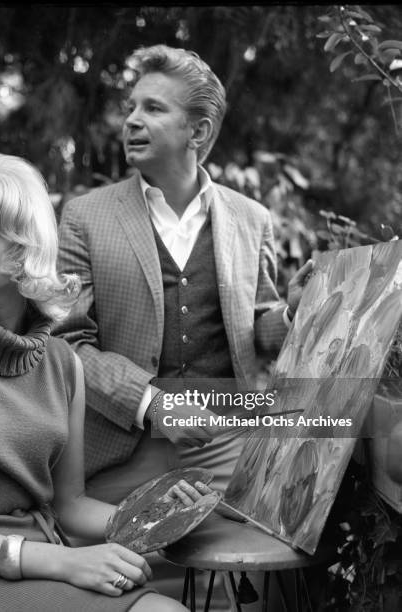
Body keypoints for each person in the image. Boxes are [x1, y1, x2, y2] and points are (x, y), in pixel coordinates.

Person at [0, 152, 201, 612]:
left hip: (40, 565)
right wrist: (64, 563)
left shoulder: (63, 363)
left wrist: (159, 517)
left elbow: (70, 505)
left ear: (23, 244)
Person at [55, 45, 313, 506]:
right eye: (131, 107)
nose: (131, 120)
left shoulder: (252, 219)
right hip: (117, 453)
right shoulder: (84, 217)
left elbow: (256, 331)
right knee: (115, 574)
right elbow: (68, 344)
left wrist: (291, 313)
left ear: (199, 130)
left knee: (253, 571)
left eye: (153, 108)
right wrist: (154, 404)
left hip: (227, 447)